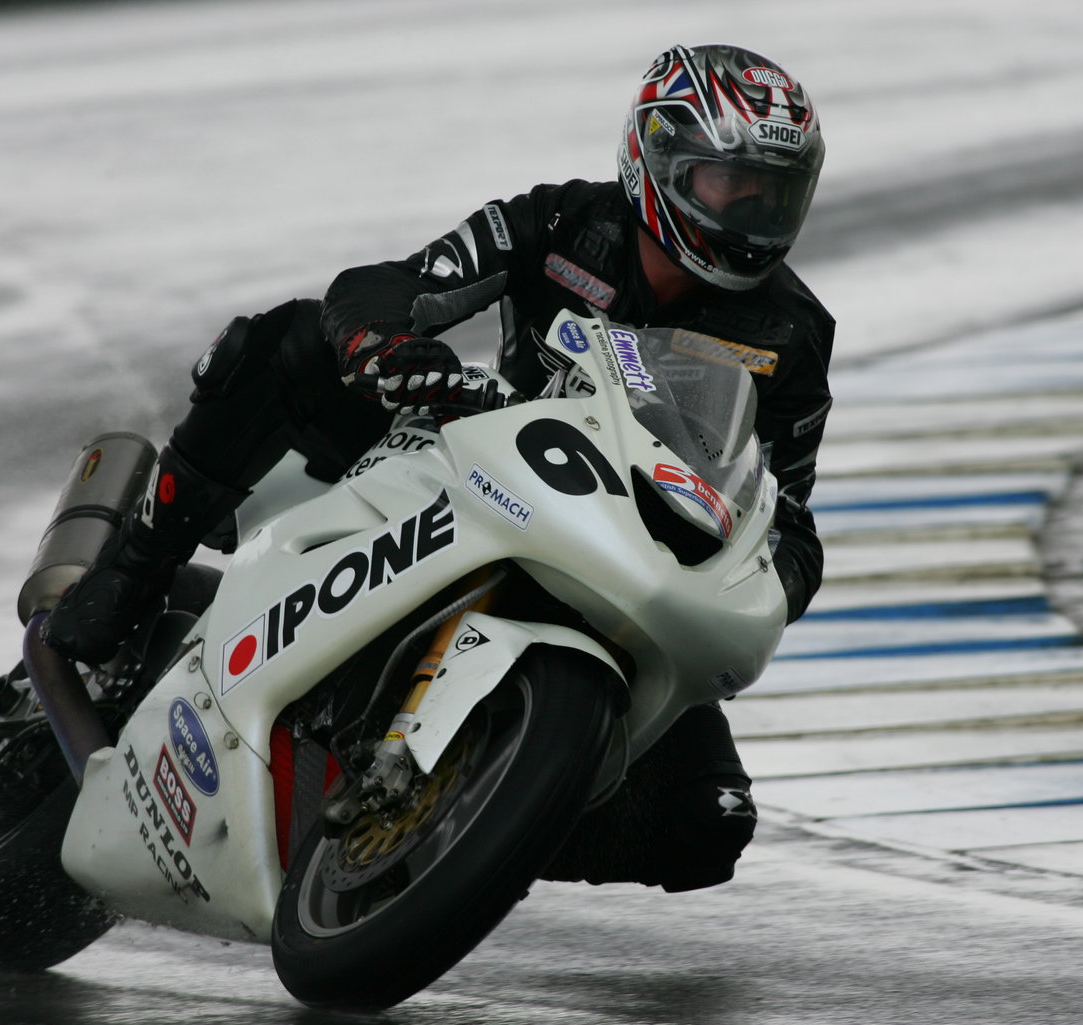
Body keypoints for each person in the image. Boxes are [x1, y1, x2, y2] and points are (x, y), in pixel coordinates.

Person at [45, 43, 834, 892]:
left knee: (709, 824)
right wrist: (390, 349)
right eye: (732, 184)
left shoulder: (793, 333)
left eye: (774, 193)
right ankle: (134, 567)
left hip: (625, 547)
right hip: (467, 450)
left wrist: (764, 587)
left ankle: (468, 816)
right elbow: (390, 284)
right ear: (659, 160)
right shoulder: (565, 222)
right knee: (288, 338)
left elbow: (783, 512)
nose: (753, 213)